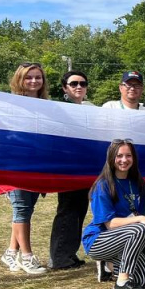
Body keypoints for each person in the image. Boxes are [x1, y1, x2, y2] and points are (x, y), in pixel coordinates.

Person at [81, 140, 145, 289]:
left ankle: (109, 265)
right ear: (111, 158)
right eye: (119, 156)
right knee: (140, 228)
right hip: (99, 239)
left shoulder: (138, 184)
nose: (124, 160)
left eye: (128, 155)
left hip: (125, 239)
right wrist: (140, 219)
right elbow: (110, 224)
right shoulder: (103, 185)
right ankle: (121, 283)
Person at [0, 62, 49, 276]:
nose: (34, 81)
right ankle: (27, 256)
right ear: (19, 80)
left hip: (37, 166)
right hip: (15, 165)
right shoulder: (10, 104)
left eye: (38, 77)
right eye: (29, 77)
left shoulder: (48, 105)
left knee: (27, 209)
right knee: (21, 209)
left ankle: (11, 252)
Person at [49, 69, 96, 270]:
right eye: (74, 84)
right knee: (68, 211)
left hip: (84, 168)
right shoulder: (60, 109)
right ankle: (59, 257)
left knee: (79, 210)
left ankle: (69, 253)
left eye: (82, 84)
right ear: (64, 88)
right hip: (68, 169)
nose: (79, 87)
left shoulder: (87, 109)